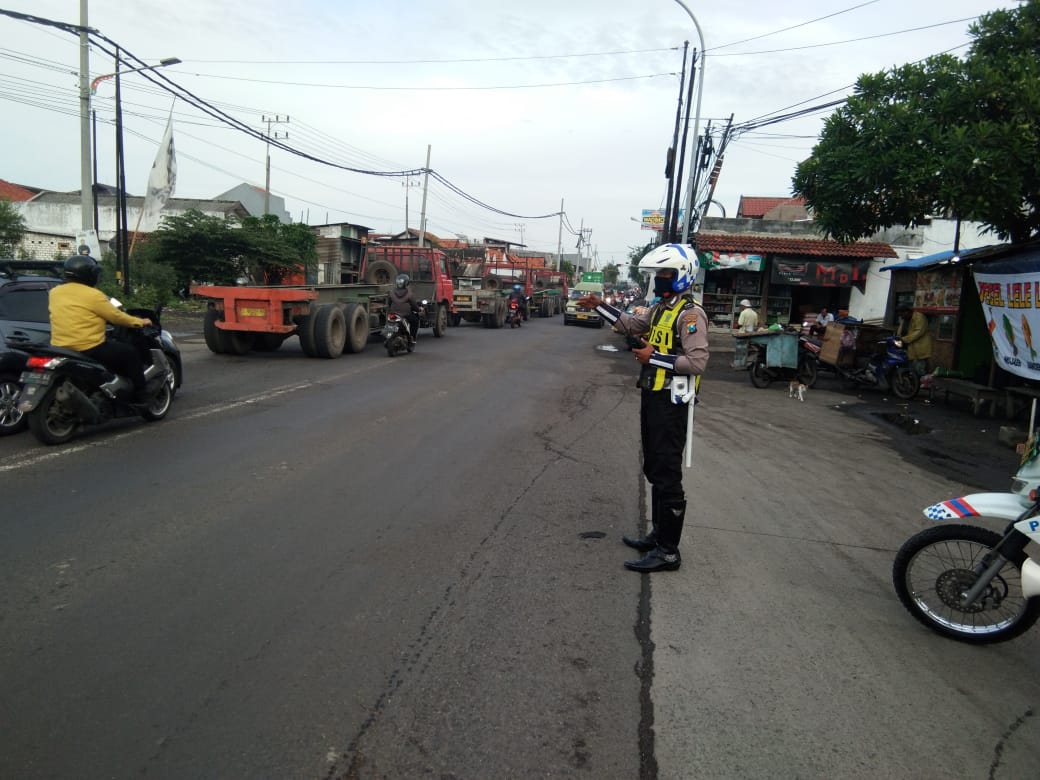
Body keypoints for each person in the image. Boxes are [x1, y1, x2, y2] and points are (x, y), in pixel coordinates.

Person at [579, 243, 709, 573]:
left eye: (665, 274)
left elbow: (697, 362)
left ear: (682, 276)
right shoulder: (662, 308)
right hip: (653, 396)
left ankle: (668, 551)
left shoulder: (691, 314)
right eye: (658, 275)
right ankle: (658, 535)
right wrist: (600, 306)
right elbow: (632, 326)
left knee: (667, 473)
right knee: (654, 467)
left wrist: (654, 358)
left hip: (673, 402)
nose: (660, 280)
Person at [49, 254, 153, 400]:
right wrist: (140, 322)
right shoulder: (93, 295)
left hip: (60, 345)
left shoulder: (55, 292)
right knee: (130, 353)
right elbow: (116, 316)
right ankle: (141, 394)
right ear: (88, 275)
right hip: (88, 346)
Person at [895, 305, 933, 375]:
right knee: (911, 370)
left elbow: (918, 332)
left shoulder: (919, 317)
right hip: (909, 348)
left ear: (907, 312)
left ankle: (921, 383)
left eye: (902, 314)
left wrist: (904, 339)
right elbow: (900, 331)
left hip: (920, 347)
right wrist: (897, 338)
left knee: (919, 370)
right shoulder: (905, 319)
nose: (901, 317)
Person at [389, 273, 421, 345]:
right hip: (405, 314)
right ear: (406, 283)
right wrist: (418, 309)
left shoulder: (392, 292)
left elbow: (389, 303)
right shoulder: (409, 293)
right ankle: (412, 338)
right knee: (415, 321)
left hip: (393, 314)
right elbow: (414, 305)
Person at [733, 298, 758, 368]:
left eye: (741, 306)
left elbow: (740, 323)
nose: (740, 307)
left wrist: (737, 326)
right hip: (751, 334)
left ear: (744, 306)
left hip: (742, 333)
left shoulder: (743, 313)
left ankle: (738, 364)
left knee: (740, 349)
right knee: (748, 349)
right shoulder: (755, 313)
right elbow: (756, 325)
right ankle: (747, 363)